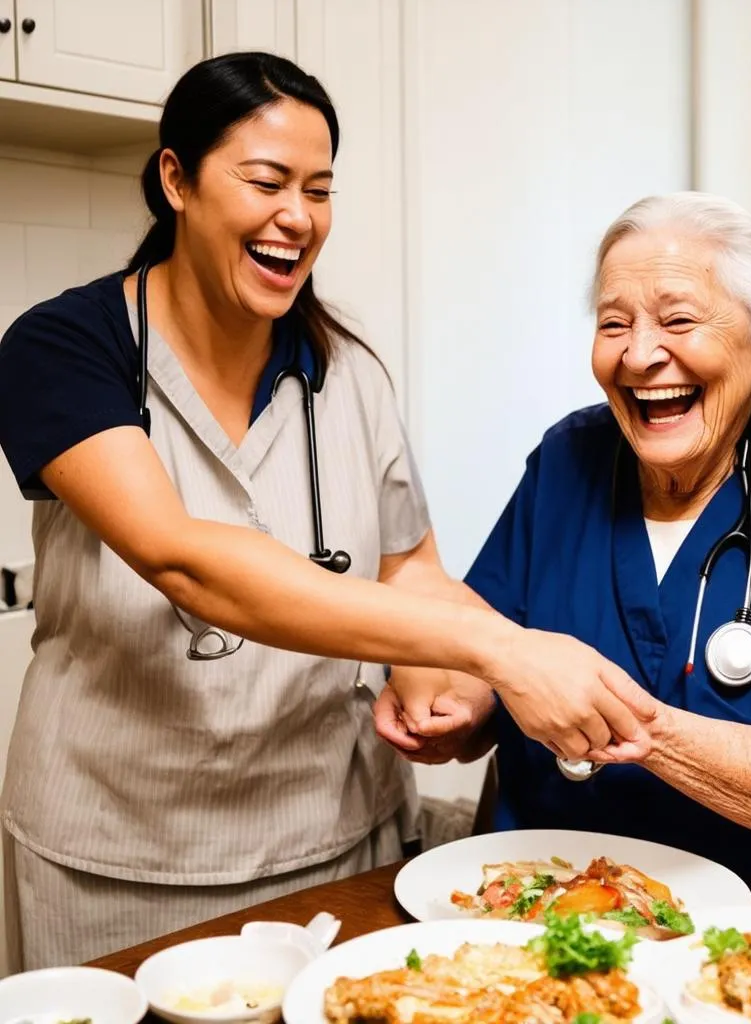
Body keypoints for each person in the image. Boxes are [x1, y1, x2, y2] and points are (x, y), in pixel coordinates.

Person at [0, 52, 656, 968]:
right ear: (176, 179)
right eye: (266, 181)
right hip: (120, 863)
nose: (298, 218)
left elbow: (409, 568)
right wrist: (499, 649)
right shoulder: (62, 350)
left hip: (336, 845)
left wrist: (453, 692)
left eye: (320, 188)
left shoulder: (346, 372)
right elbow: (177, 554)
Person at [376, 191, 751, 925]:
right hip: (541, 925)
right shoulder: (569, 460)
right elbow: (486, 657)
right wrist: (456, 708)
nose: (640, 354)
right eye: (613, 323)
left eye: (678, 319)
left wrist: (616, 719)